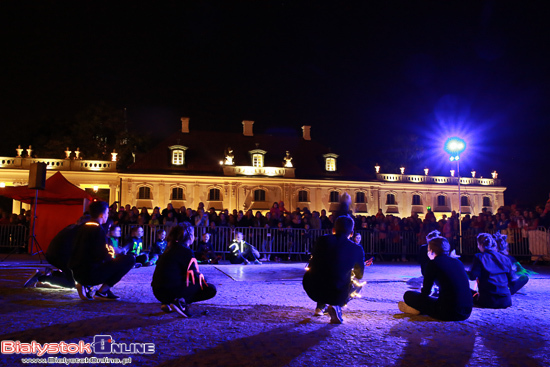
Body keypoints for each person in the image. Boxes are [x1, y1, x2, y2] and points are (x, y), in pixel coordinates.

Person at [302, 216, 365, 324]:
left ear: (333, 229)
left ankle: (320, 307)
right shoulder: (356, 248)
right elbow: (359, 275)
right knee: (356, 283)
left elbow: (312, 262)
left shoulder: (322, 240)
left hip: (313, 288)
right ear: (352, 232)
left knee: (321, 272)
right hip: (337, 293)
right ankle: (337, 305)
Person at [69, 201, 135, 301]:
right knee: (130, 259)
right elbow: (101, 255)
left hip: (77, 273)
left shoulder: (81, 228)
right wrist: (113, 256)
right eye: (107, 213)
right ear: (102, 214)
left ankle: (85, 285)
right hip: (91, 274)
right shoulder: (97, 230)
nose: (108, 215)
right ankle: (102, 291)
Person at [398, 236, 473, 321]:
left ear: (431, 251)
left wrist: (420, 294)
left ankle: (417, 310)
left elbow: (426, 292)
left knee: (408, 295)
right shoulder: (458, 262)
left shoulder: (433, 263)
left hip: (448, 312)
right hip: (467, 311)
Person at [151, 223, 217, 317]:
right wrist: (204, 279)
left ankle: (168, 302)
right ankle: (181, 303)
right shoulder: (185, 251)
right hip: (170, 290)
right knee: (210, 289)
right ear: (189, 236)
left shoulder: (169, 248)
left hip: (157, 291)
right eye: (193, 234)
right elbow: (194, 275)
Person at [24, 215, 91, 289]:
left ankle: (53, 274)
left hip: (53, 255)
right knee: (71, 283)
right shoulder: (80, 231)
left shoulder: (72, 227)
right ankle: (40, 277)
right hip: (60, 257)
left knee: (72, 273)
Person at [467, 233, 514, 309]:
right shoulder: (505, 258)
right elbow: (511, 278)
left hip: (488, 300)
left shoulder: (479, 257)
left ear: (481, 245)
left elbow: (472, 276)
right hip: (505, 300)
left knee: (465, 290)